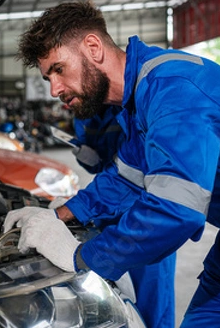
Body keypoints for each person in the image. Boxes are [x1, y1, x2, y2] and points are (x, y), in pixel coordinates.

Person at [4, 0, 220, 327]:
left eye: (58, 70)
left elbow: (176, 209)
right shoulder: (140, 100)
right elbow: (127, 179)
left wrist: (81, 256)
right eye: (49, 77)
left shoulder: (174, 89)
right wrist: (56, 215)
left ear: (93, 49)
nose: (54, 89)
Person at [69, 105, 176, 328]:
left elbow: (132, 174)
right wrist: (85, 157)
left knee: (152, 300)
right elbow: (103, 166)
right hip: (106, 212)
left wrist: (75, 208)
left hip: (145, 217)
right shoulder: (82, 111)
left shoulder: (136, 106)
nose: (56, 91)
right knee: (115, 300)